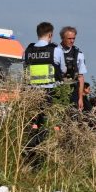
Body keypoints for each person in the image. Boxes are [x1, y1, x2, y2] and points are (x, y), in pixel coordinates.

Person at [23, 21, 68, 165]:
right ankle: (41, 158)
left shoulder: (28, 50)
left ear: (38, 34)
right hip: (48, 92)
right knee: (46, 125)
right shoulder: (56, 50)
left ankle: (29, 156)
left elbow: (25, 68)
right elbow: (63, 69)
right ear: (50, 34)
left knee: (32, 125)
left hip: (31, 92)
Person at [58, 26, 88, 111]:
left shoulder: (78, 54)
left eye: (73, 38)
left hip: (72, 90)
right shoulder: (54, 51)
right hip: (58, 88)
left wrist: (80, 98)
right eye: (69, 38)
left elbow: (81, 77)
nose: (72, 41)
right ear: (62, 38)